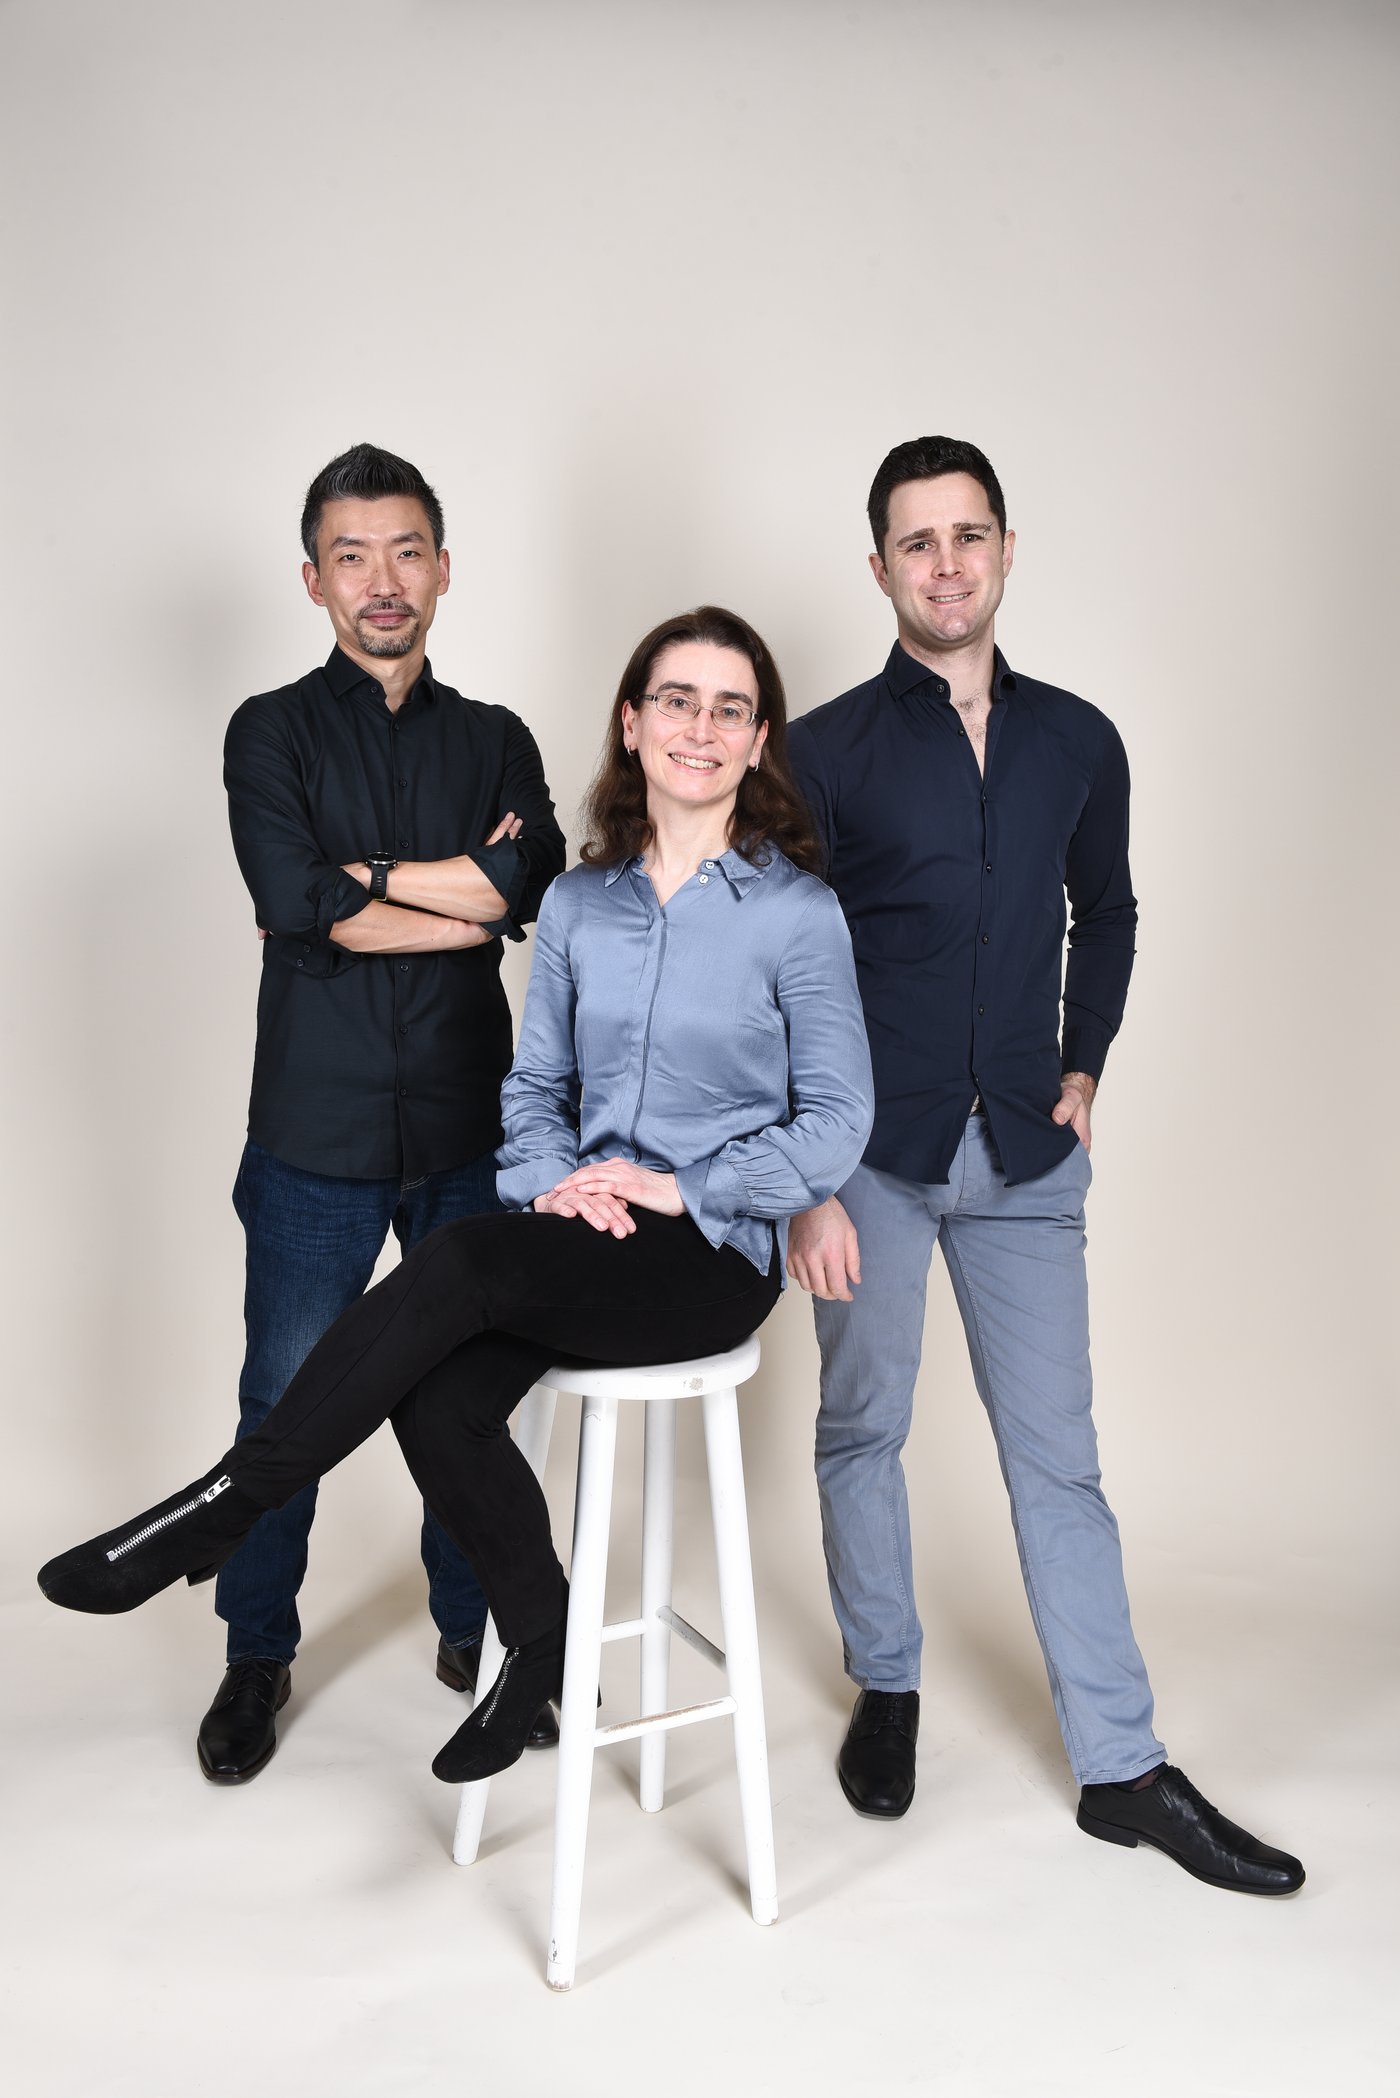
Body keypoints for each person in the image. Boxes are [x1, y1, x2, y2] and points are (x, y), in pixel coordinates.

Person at [40, 607, 875, 1785]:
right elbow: (531, 1090)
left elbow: (837, 1119)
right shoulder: (583, 904)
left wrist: (678, 1184)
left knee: (462, 1265)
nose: (700, 726)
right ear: (631, 726)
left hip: (708, 1255)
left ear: (756, 741)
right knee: (437, 1400)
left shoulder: (795, 913)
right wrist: (558, 1180)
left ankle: (230, 1498)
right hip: (577, 1229)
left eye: (729, 708)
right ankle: (540, 1637)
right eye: (675, 701)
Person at [785, 436, 1304, 1895]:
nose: (944, 564)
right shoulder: (819, 749)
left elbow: (1112, 910)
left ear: (1008, 549)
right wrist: (807, 1172)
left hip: (1024, 1154)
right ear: (878, 566)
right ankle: (887, 1683)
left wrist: (1088, 1062)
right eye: (915, 540)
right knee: (860, 1429)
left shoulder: (1080, 738)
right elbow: (785, 961)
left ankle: (1122, 1766)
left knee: (1059, 1465)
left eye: (968, 536)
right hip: (871, 1159)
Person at [204, 443, 566, 1783]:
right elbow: (301, 903)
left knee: (468, 1399)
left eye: (406, 549)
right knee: (284, 1400)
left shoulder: (497, 738)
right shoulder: (269, 730)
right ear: (314, 579)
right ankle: (255, 1652)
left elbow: (532, 884)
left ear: (445, 568)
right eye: (352, 556)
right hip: (317, 1135)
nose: (383, 580)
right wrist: (457, 897)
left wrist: (368, 890)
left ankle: (481, 1632)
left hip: (475, 1131)